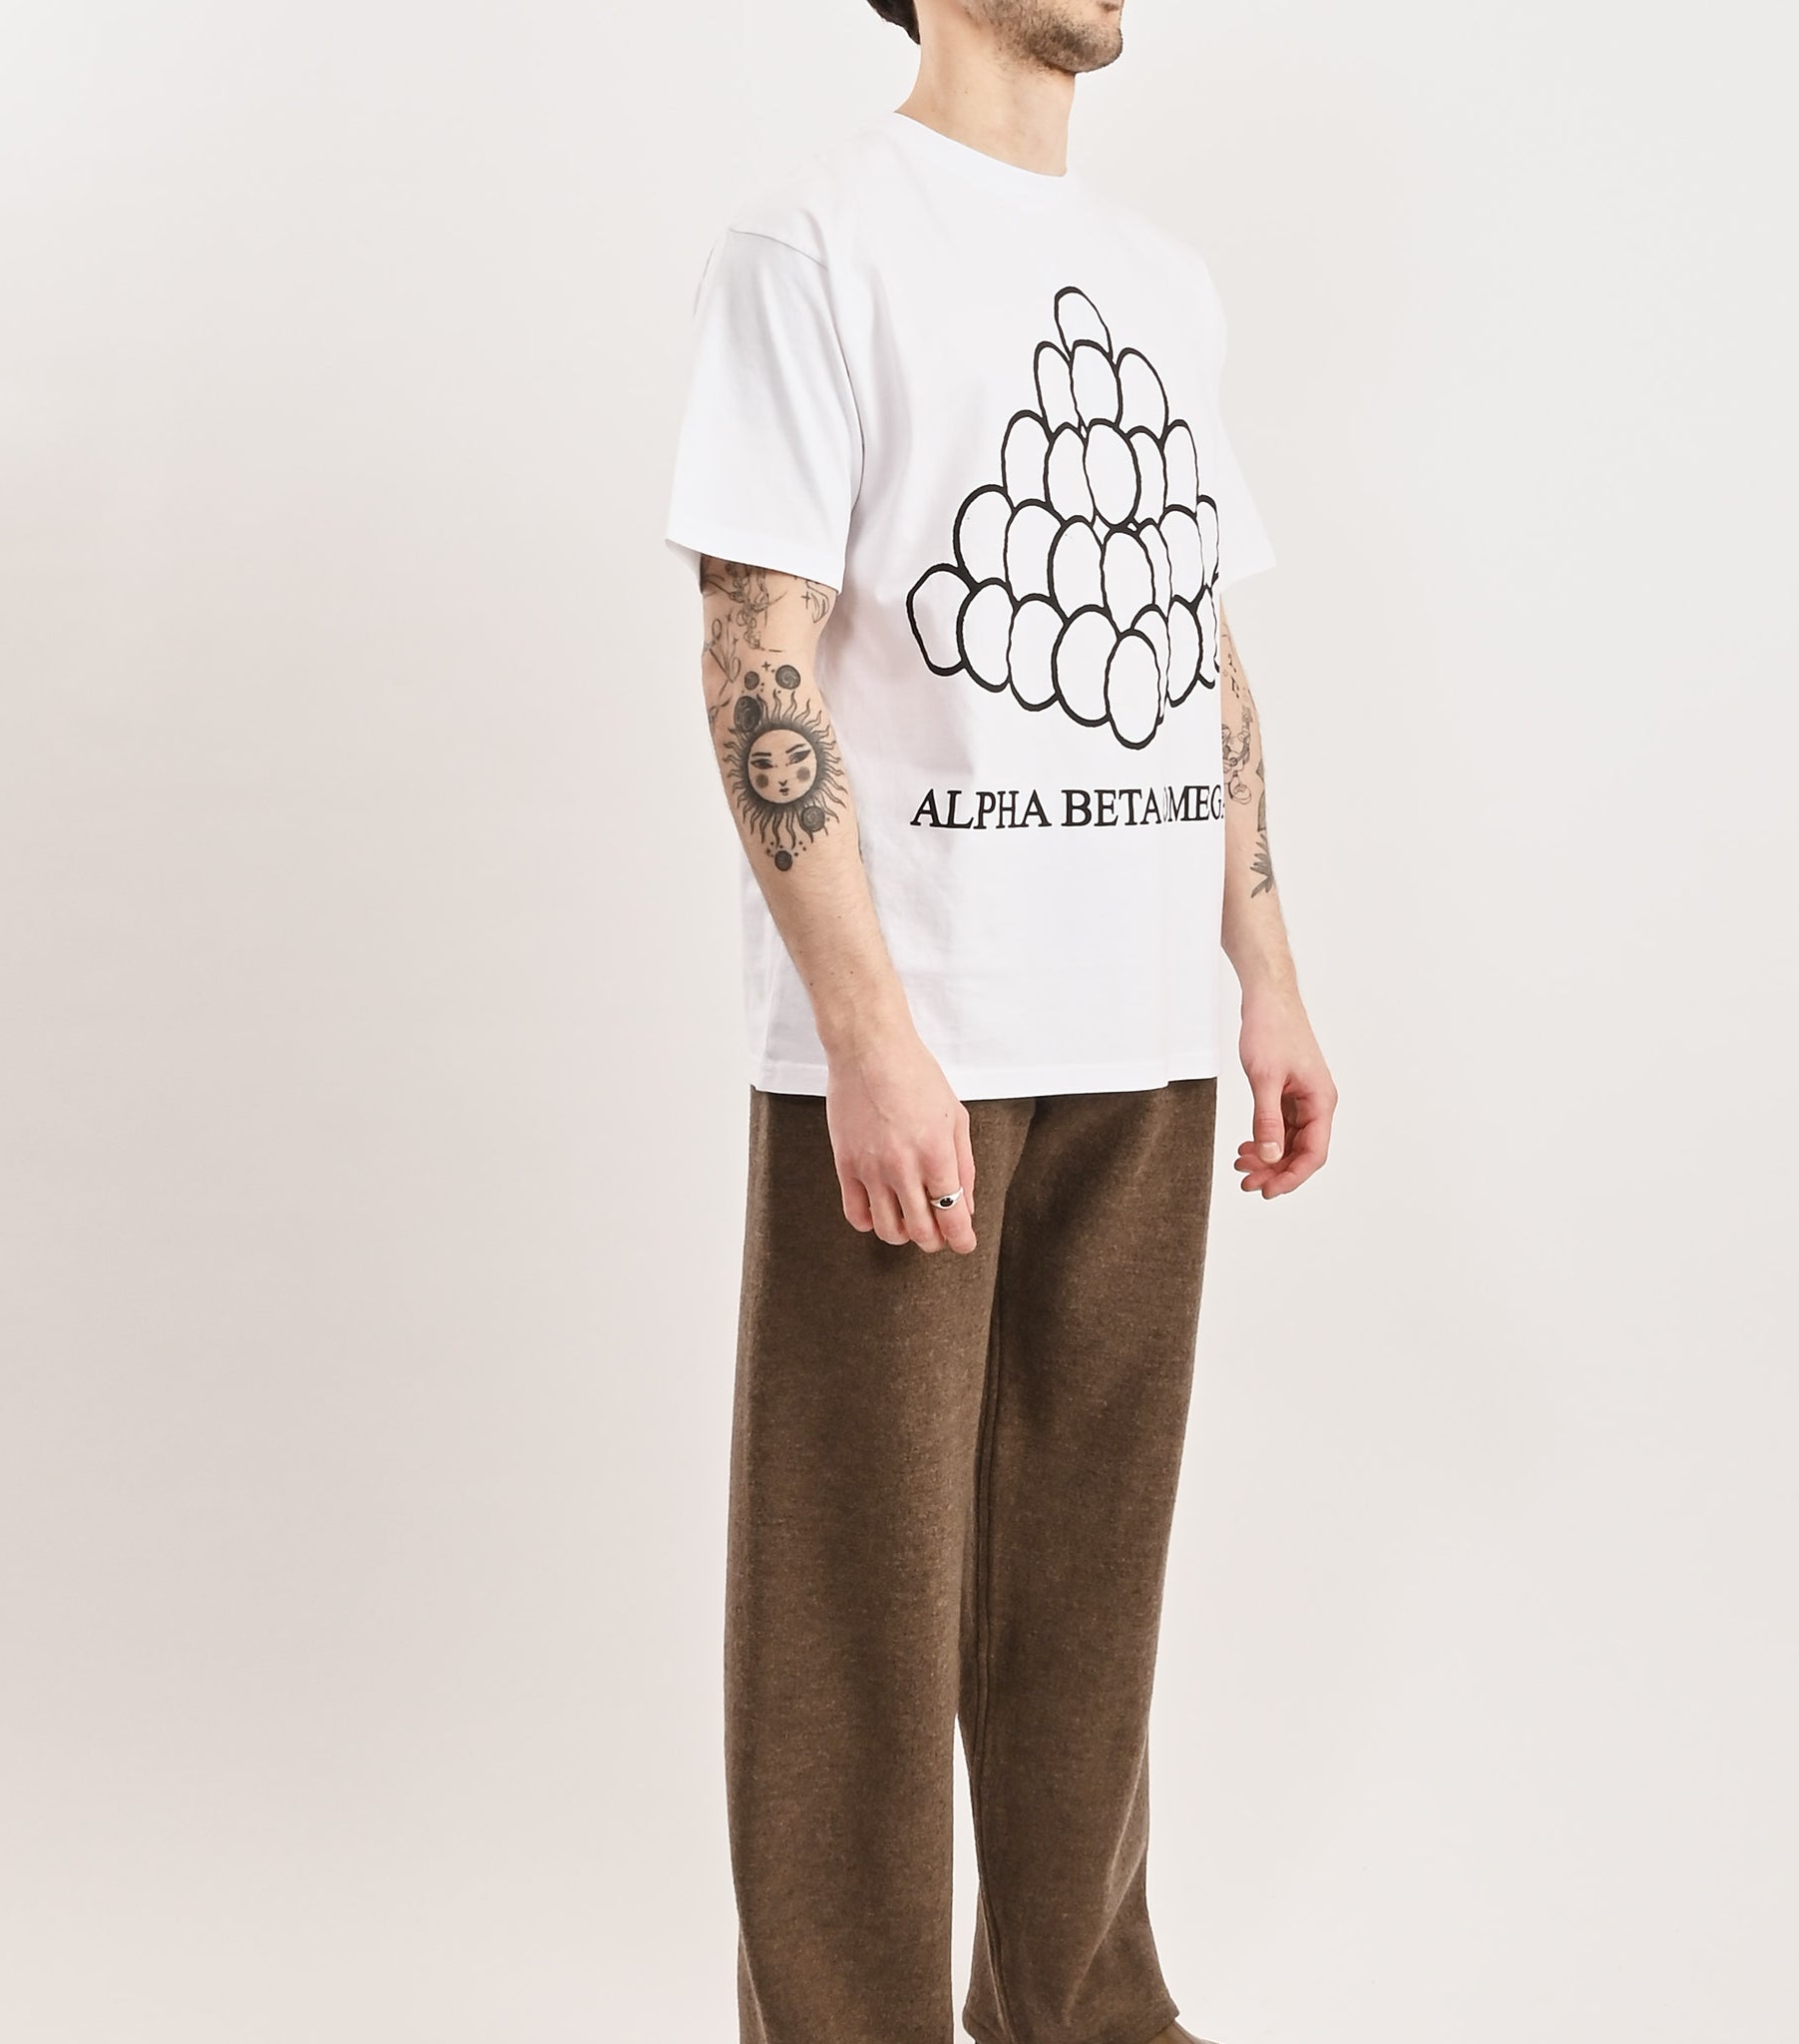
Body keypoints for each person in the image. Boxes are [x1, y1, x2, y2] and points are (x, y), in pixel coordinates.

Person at [662, 3, 1334, 2039]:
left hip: (1141, 1034)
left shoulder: (1161, 278)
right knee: (854, 1613)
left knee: (1083, 1602)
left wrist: (1265, 966)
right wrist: (866, 1034)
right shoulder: (812, 241)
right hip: (921, 1048)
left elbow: (1192, 637)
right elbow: (755, 644)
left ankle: (1086, 2012)